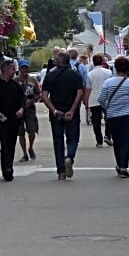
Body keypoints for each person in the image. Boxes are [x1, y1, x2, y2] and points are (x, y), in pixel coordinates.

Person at [97, 56, 129, 178]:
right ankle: (123, 166)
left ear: (115, 68)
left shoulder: (108, 83)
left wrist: (108, 107)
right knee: (126, 141)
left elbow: (101, 99)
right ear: (128, 69)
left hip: (113, 116)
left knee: (117, 141)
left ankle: (119, 164)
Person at [41, 51, 84, 180]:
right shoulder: (75, 75)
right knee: (73, 138)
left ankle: (61, 171)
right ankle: (69, 157)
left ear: (58, 61)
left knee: (58, 141)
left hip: (56, 114)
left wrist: (54, 110)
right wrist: (72, 109)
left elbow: (44, 95)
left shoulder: (50, 75)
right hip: (72, 112)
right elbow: (80, 92)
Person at [0, 58, 22, 181]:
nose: (14, 71)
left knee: (12, 144)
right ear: (6, 70)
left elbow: (22, 101)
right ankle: (6, 168)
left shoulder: (15, 86)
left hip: (14, 119)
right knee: (5, 143)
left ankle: (9, 166)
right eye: (13, 69)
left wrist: (21, 110)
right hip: (1, 120)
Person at [15, 59, 41, 161]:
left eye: (26, 67)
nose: (24, 69)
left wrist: (33, 100)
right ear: (19, 68)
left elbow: (38, 93)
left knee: (32, 130)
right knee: (20, 132)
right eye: (23, 67)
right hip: (18, 109)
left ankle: (30, 147)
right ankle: (24, 153)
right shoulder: (15, 81)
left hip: (30, 109)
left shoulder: (32, 80)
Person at [87, 55, 113, 147]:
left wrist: (86, 101)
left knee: (96, 120)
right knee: (109, 118)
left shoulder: (90, 74)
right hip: (106, 98)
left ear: (93, 62)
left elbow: (88, 88)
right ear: (102, 62)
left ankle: (99, 141)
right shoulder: (109, 72)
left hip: (94, 99)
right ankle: (108, 135)